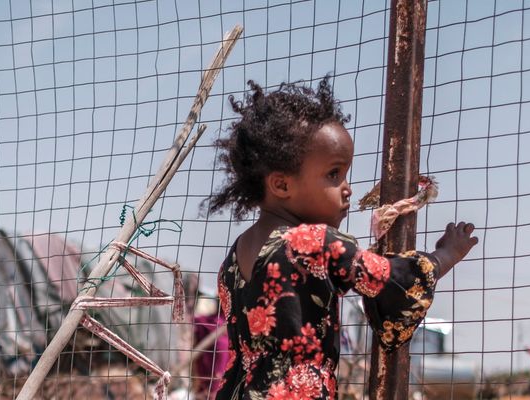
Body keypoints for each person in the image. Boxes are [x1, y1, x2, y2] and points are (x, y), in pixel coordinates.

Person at [204, 77, 478, 399]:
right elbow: (392, 283)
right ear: (281, 185)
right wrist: (444, 256)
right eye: (333, 174)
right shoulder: (312, 241)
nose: (347, 188)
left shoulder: (232, 260)